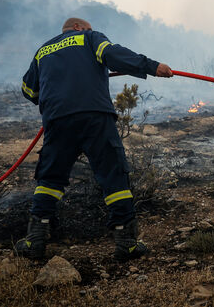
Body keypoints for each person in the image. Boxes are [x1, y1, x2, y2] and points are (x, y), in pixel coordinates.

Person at [15, 17, 173, 261]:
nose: (92, 30)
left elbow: (28, 90)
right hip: (94, 116)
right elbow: (113, 54)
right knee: (113, 174)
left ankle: (34, 240)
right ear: (78, 27)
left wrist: (55, 92)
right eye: (88, 27)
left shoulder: (42, 51)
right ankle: (126, 243)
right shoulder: (89, 37)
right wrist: (153, 66)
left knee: (50, 178)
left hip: (57, 120)